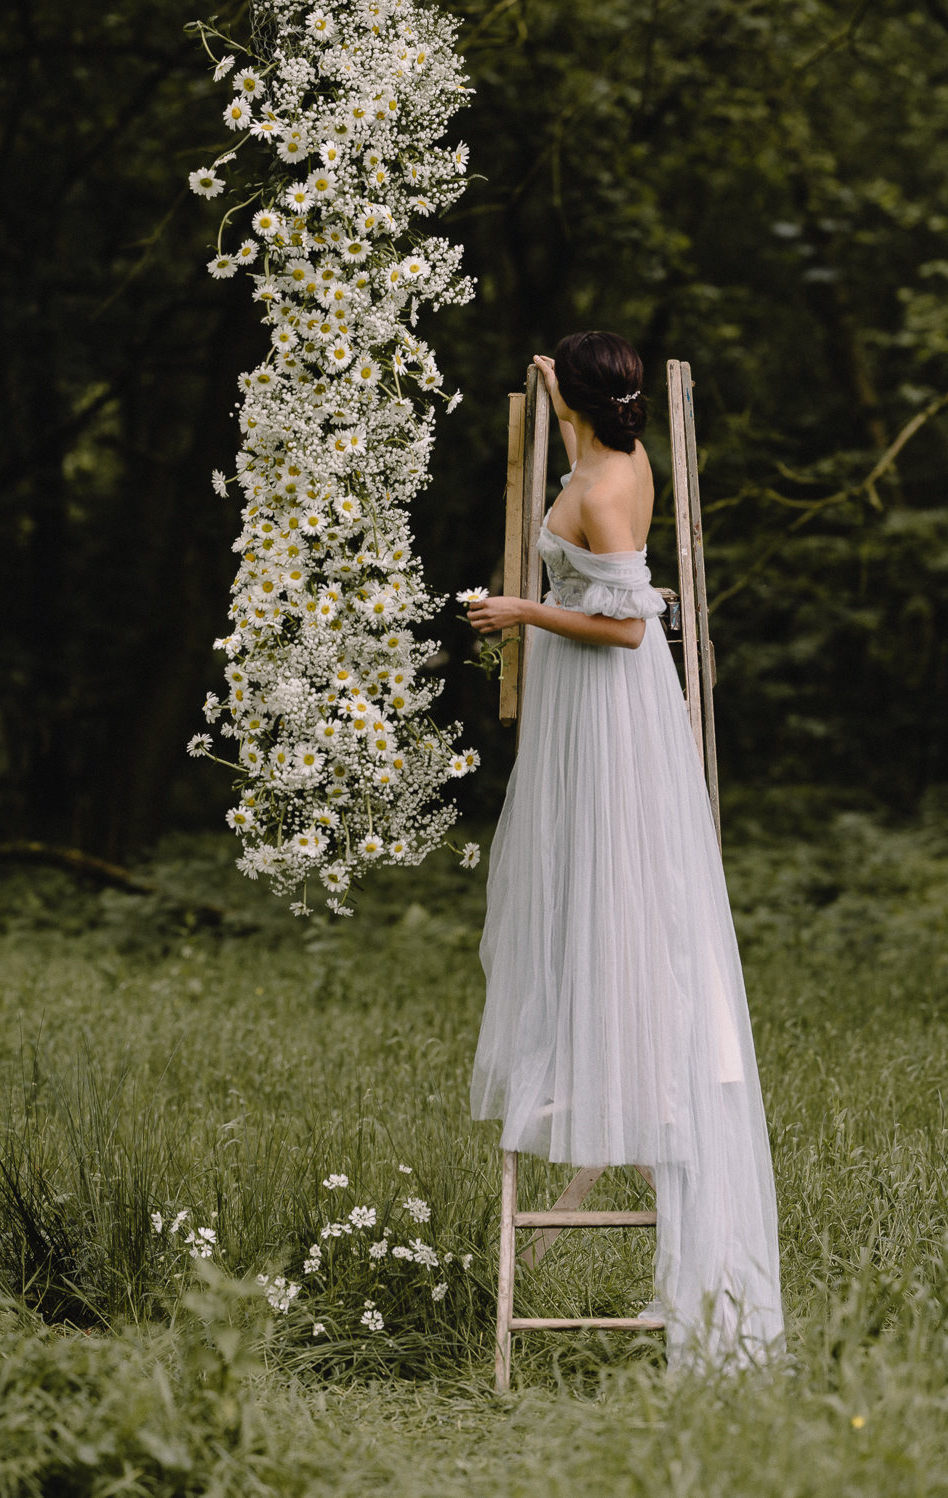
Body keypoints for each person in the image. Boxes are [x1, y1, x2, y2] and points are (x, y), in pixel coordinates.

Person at [465, 331, 785, 1370]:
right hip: (586, 704)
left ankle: (620, 1064)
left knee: (616, 884)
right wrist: (555, 381)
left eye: (563, 380)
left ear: (591, 405)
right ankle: (591, 1045)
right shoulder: (611, 445)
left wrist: (520, 608)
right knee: (583, 887)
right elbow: (568, 408)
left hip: (608, 705)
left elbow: (629, 632)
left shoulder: (607, 490)